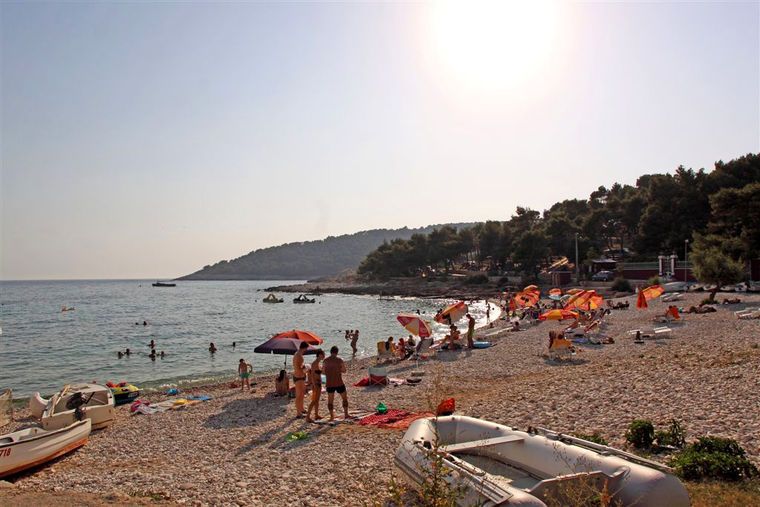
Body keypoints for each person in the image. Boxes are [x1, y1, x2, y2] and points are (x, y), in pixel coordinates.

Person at [322, 346, 349, 421]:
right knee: (344, 398)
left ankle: (331, 416)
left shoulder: (325, 361)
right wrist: (338, 370)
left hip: (329, 383)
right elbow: (344, 370)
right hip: (339, 382)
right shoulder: (339, 360)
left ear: (330, 352)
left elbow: (323, 372)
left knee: (330, 401)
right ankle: (346, 414)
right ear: (337, 352)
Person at [306, 349, 325, 422]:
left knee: (317, 400)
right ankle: (307, 416)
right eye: (323, 354)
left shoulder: (318, 363)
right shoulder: (314, 363)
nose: (324, 356)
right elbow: (312, 375)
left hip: (318, 383)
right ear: (319, 355)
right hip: (316, 384)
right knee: (314, 400)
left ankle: (316, 415)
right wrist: (314, 385)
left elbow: (320, 373)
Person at [293, 341, 308, 417]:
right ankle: (298, 413)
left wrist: (303, 367)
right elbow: (299, 368)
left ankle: (301, 409)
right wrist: (305, 368)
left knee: (302, 394)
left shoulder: (297, 354)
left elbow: (298, 366)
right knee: (299, 395)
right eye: (306, 348)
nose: (306, 350)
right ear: (304, 348)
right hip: (299, 377)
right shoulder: (299, 356)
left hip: (298, 376)